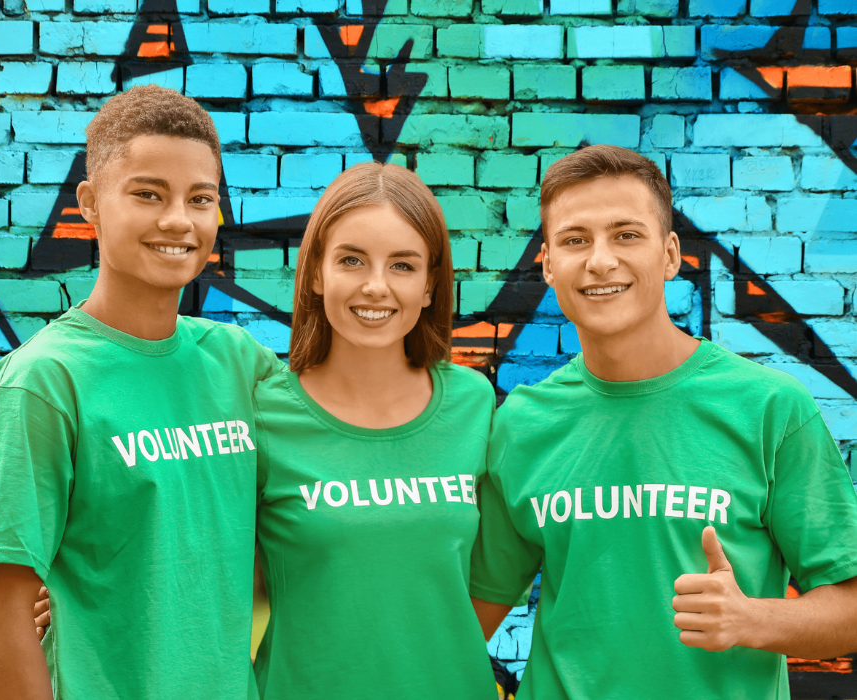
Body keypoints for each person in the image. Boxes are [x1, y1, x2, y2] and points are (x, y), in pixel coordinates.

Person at [470, 144, 857, 699]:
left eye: (626, 235)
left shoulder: (770, 408)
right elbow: (470, 617)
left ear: (670, 254)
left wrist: (753, 620)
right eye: (576, 240)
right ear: (549, 264)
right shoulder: (523, 422)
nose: (601, 260)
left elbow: (849, 607)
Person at [0, 85, 282, 700]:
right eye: (147, 194)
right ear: (89, 203)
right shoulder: (42, 384)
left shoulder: (240, 363)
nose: (178, 221)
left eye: (201, 199)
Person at [251, 162, 498, 700]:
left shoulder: (473, 403)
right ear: (316, 272)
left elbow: (501, 564)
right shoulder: (262, 414)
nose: (376, 286)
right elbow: (198, 556)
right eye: (352, 260)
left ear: (431, 284)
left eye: (403, 266)